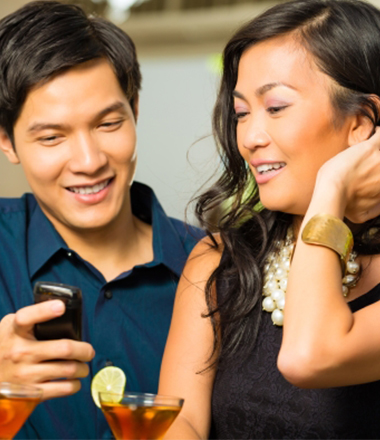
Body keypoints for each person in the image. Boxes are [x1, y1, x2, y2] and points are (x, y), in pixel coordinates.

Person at [158, 0, 380, 438]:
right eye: (241, 113)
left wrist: (332, 188)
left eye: (276, 107)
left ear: (360, 122)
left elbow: (307, 357)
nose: (250, 138)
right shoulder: (219, 258)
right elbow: (179, 420)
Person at [0, 1, 201, 439]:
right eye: (52, 137)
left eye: (109, 124)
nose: (89, 162)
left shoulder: (213, 268)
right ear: (7, 141)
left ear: (135, 111)